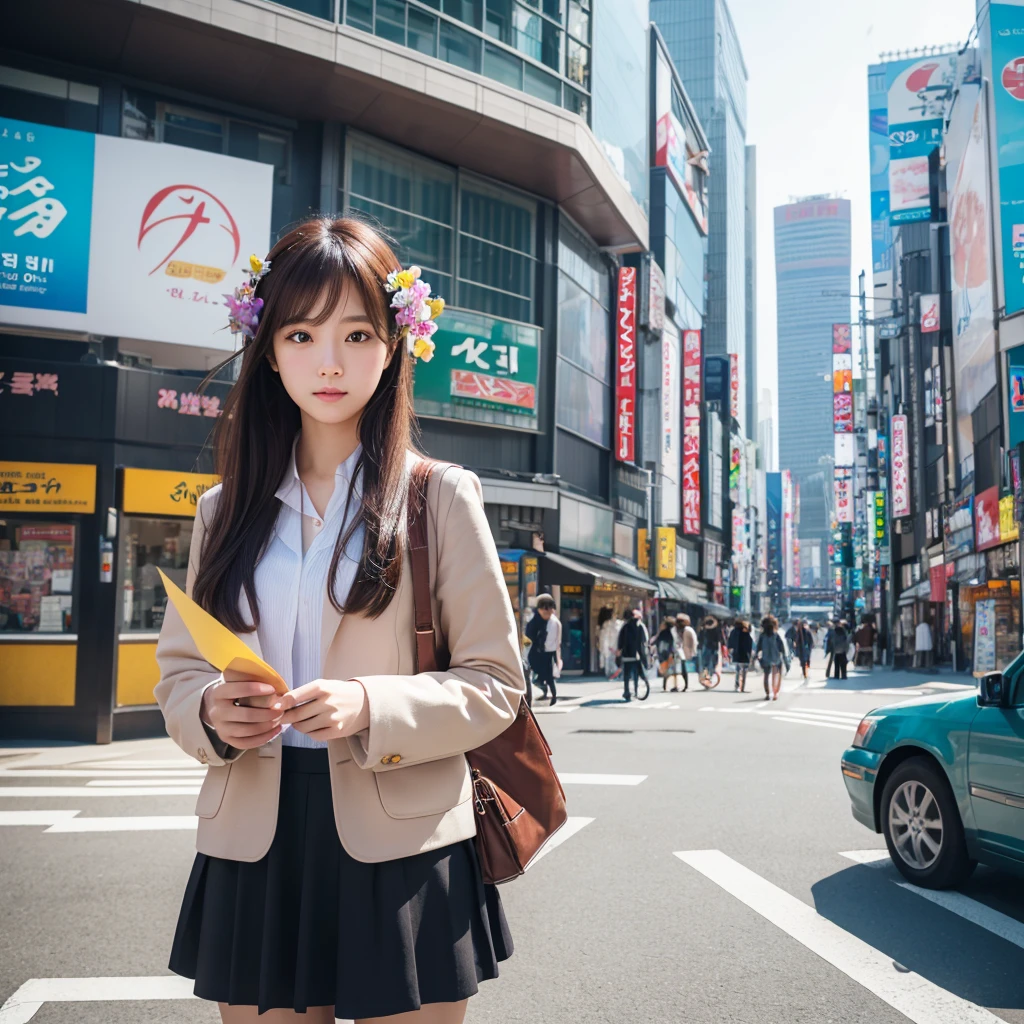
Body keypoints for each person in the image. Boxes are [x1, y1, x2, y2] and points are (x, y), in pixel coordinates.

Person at [153, 218, 524, 1024]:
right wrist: (211, 712)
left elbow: (497, 686)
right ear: (269, 348)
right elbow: (179, 673)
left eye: (357, 333)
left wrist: (372, 708)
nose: (329, 361)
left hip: (404, 838)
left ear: (395, 345)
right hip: (256, 837)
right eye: (301, 333)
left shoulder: (439, 497)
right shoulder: (224, 511)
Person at [525, 595, 561, 703]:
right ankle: (543, 692)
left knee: (549, 676)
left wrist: (558, 656)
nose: (547, 611)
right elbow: (528, 639)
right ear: (539, 609)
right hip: (535, 654)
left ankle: (553, 696)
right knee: (538, 675)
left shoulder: (554, 623)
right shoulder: (533, 623)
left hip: (549, 653)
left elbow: (557, 641)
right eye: (544, 609)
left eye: (550, 609)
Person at [617, 607, 649, 701]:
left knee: (626, 674)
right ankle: (635, 690)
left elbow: (620, 641)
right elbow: (644, 640)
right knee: (636, 674)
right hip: (638, 654)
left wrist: (619, 651)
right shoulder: (640, 626)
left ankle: (627, 692)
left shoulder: (625, 627)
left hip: (627, 654)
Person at [756, 615, 788, 701]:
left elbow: (758, 647)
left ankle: (767, 694)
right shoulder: (776, 635)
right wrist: (784, 656)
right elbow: (781, 647)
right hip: (776, 658)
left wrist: (757, 657)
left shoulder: (762, 636)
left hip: (765, 658)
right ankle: (775, 693)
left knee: (766, 676)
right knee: (777, 675)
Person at [727, 618, 753, 692]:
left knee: (738, 670)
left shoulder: (733, 631)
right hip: (745, 654)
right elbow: (749, 643)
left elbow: (730, 641)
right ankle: (743, 686)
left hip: (737, 653)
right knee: (744, 670)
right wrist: (750, 654)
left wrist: (730, 649)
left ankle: (737, 685)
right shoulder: (746, 632)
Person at [674, 613, 698, 692]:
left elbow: (693, 641)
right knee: (683, 670)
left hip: (687, 652)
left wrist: (693, 651)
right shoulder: (678, 630)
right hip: (682, 652)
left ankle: (686, 685)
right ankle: (684, 685)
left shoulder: (688, 630)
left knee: (686, 669)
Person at [653, 619, 678, 692]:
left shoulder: (663, 633)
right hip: (670, 653)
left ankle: (665, 686)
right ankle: (674, 686)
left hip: (663, 654)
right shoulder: (672, 632)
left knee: (666, 670)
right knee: (672, 670)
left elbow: (657, 642)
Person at [698, 615, 723, 684]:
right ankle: (709, 676)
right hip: (713, 647)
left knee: (706, 664)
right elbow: (720, 639)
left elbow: (699, 637)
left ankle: (706, 677)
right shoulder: (716, 629)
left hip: (706, 647)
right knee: (712, 663)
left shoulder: (704, 629)